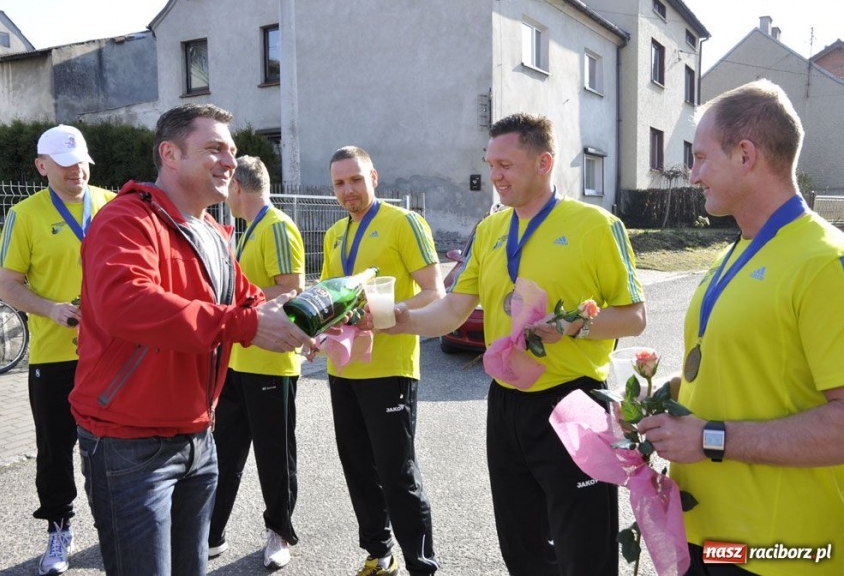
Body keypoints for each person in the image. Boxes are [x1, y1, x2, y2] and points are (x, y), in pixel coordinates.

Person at [388, 113, 646, 575]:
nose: (494, 176)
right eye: (490, 164)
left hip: (573, 400)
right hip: (506, 405)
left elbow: (635, 316)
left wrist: (575, 327)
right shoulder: (489, 230)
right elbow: (453, 310)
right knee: (522, 548)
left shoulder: (596, 226)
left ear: (544, 162)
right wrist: (396, 319)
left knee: (585, 550)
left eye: (505, 164)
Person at [68, 103, 313, 576]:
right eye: (214, 149)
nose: (230, 161)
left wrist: (315, 320)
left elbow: (253, 303)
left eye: (233, 151)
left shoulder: (215, 235)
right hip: (129, 446)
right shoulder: (126, 221)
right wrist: (246, 325)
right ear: (170, 154)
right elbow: (127, 303)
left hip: (199, 440)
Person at [638, 80, 844, 576]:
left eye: (701, 158)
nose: (692, 175)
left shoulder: (824, 263)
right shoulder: (737, 251)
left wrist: (710, 439)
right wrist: (656, 401)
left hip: (782, 553)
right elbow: (739, 373)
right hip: (706, 539)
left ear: (745, 156)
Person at [0, 124, 115, 576]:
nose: (76, 172)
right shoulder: (24, 215)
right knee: (55, 449)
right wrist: (51, 309)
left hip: (110, 354)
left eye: (81, 162)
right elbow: (7, 284)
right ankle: (58, 529)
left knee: (112, 447)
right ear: (41, 166)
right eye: (65, 165)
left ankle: (114, 526)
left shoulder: (111, 204)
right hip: (54, 355)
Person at [323, 146, 443, 576]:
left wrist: (389, 316)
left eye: (355, 179)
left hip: (390, 368)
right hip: (343, 368)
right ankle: (379, 553)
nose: (348, 190)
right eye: (339, 183)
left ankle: (421, 565)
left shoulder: (404, 222)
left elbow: (434, 291)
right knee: (357, 465)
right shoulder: (335, 233)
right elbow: (331, 296)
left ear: (374, 176)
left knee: (397, 473)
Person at [207, 155, 305, 569]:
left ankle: (280, 531)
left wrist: (229, 302)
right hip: (239, 360)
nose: (224, 193)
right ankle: (211, 532)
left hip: (271, 363)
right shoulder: (249, 230)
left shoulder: (278, 226)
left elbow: (292, 289)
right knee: (223, 452)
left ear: (238, 189)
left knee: (274, 456)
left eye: (228, 184)